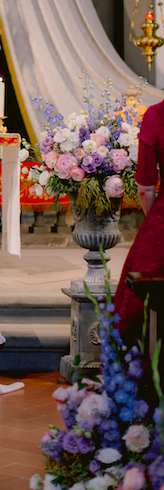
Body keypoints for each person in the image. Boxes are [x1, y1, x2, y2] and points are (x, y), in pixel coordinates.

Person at [113, 101, 164, 340]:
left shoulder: (157, 113)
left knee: (135, 304)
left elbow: (145, 185)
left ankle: (143, 370)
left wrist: (155, 218)